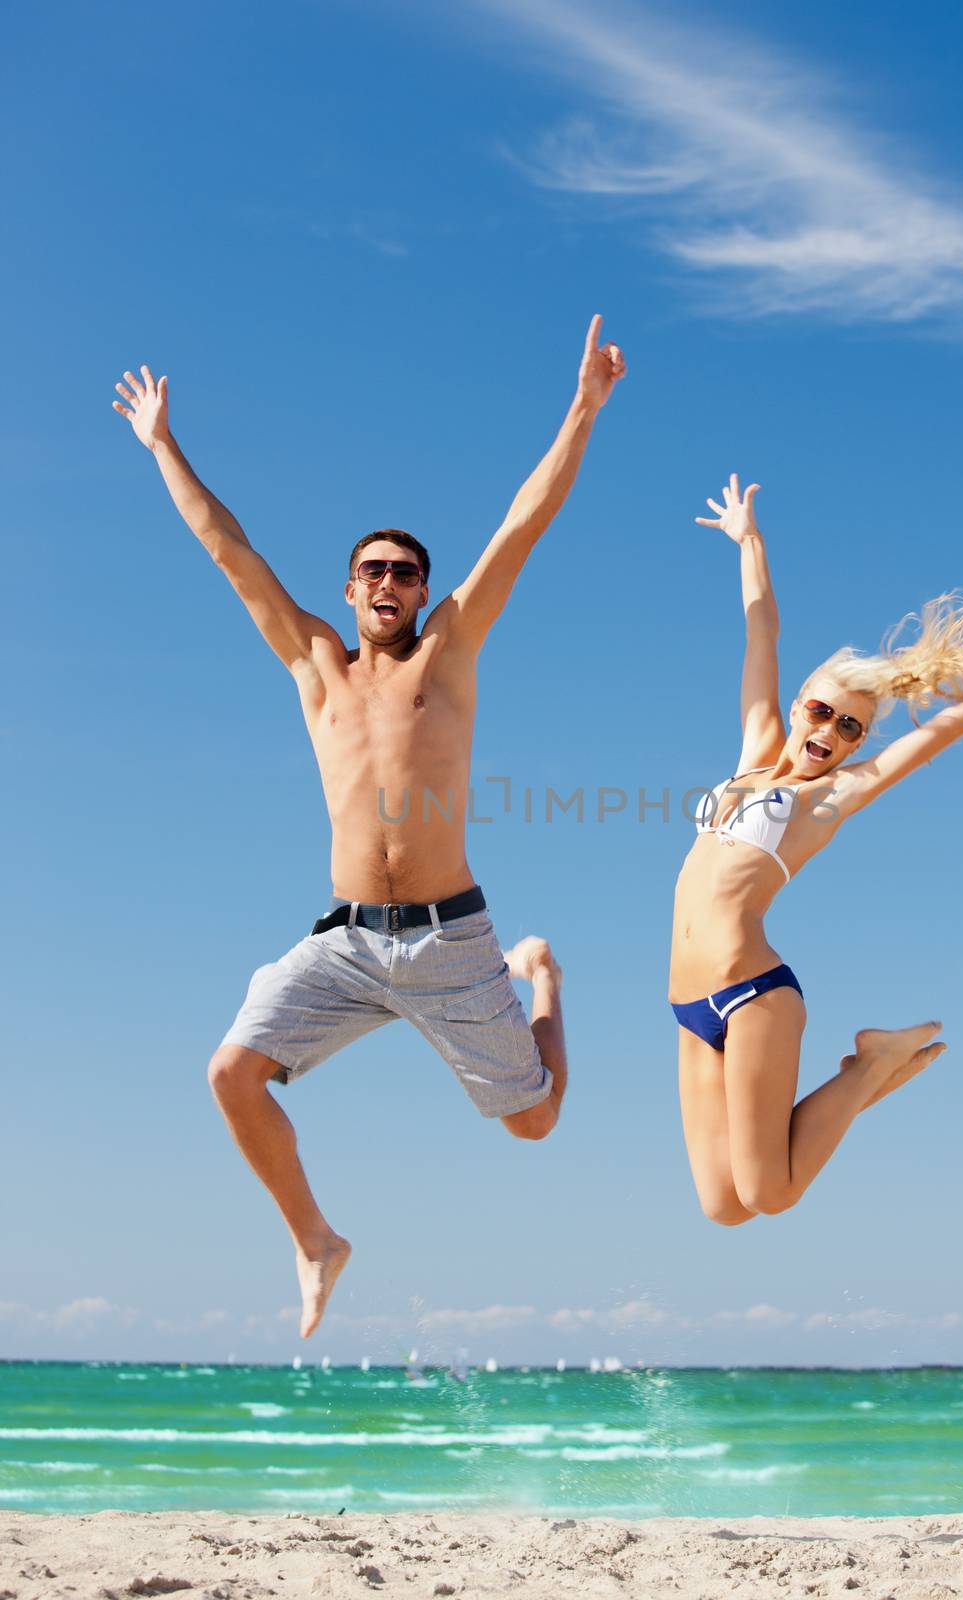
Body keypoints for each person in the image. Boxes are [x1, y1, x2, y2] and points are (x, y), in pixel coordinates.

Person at [111, 317, 626, 1335]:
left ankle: (545, 983)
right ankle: (316, 1239)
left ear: (424, 591)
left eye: (405, 571)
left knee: (534, 1122)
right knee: (231, 1072)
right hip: (347, 941)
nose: (389, 583)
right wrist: (162, 444)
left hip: (449, 935)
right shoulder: (315, 665)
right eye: (373, 571)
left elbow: (524, 522)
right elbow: (230, 552)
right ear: (349, 589)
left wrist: (583, 407)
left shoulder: (450, 653)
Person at [672, 475, 963, 1227]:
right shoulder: (755, 750)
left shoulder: (833, 795)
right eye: (822, 711)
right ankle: (873, 1070)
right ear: (799, 706)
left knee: (772, 1194)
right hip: (688, 1005)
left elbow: (943, 730)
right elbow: (762, 635)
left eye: (850, 727)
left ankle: (872, 1065)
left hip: (754, 994)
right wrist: (749, 542)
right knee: (725, 1206)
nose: (830, 732)